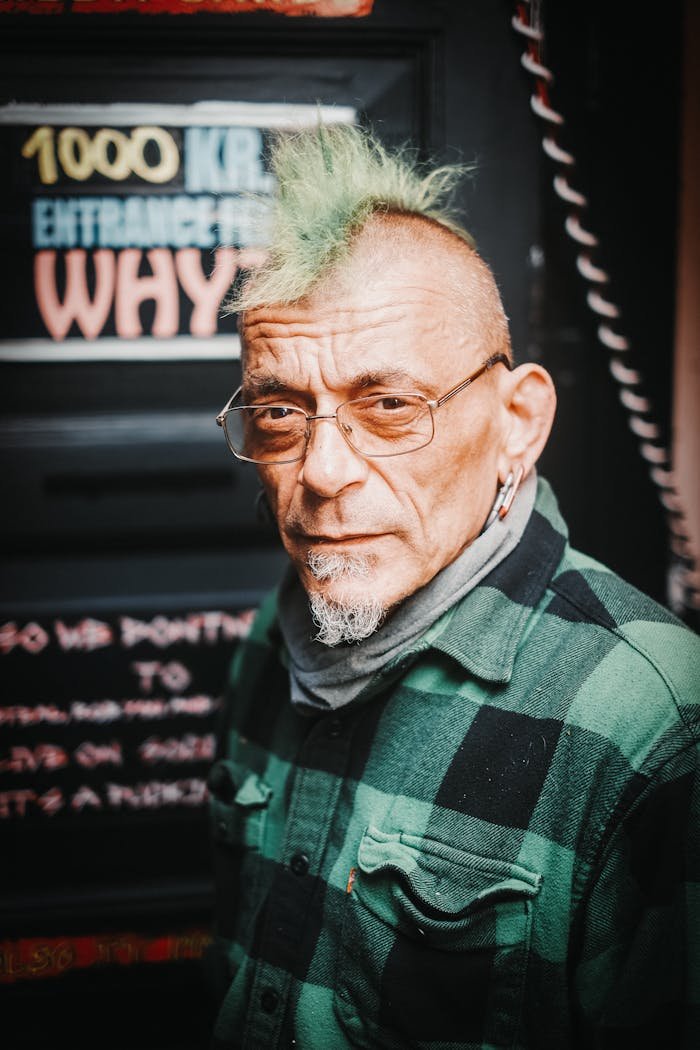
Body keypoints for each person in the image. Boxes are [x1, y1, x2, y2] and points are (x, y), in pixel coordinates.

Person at [207, 123, 699, 1049]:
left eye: (389, 406)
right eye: (280, 412)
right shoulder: (276, 643)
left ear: (519, 423)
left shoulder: (656, 728)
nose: (320, 473)